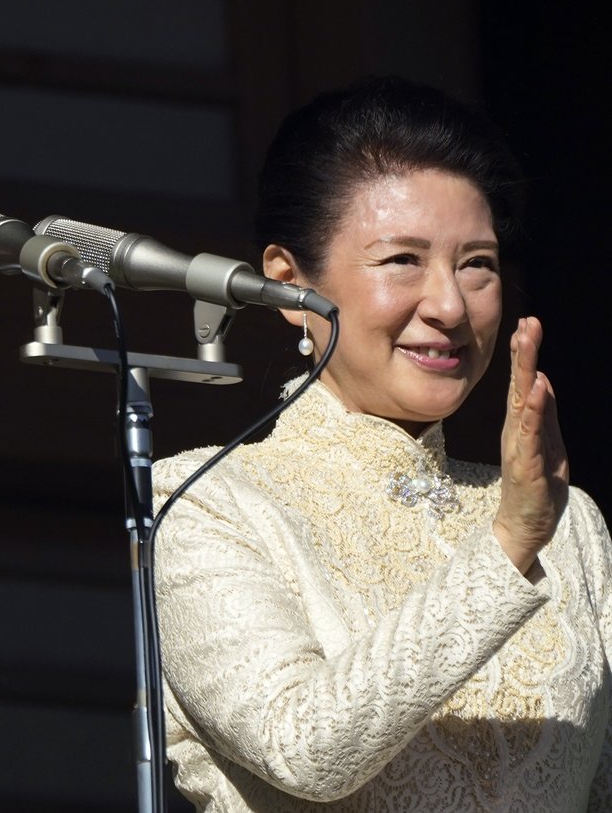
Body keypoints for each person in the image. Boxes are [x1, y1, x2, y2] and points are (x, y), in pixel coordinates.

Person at [152, 76, 611, 810]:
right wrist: (507, 546)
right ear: (287, 283)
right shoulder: (207, 500)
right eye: (403, 260)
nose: (450, 305)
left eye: (478, 263)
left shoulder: (571, 522)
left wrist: (527, 525)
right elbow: (302, 746)